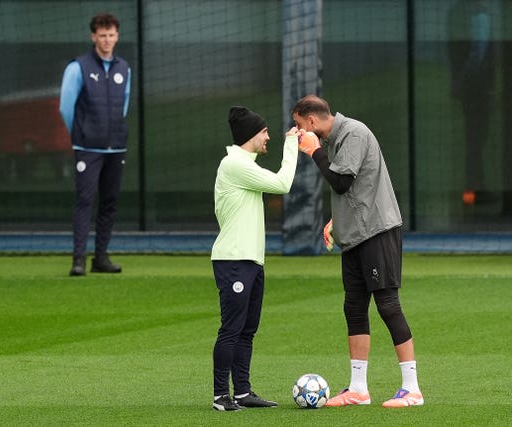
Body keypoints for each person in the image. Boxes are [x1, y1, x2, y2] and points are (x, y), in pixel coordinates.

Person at [292, 95, 423, 408]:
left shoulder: (353, 133)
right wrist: (337, 220)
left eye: (299, 125)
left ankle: (412, 389)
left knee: (388, 305)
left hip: (377, 232)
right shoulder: (337, 139)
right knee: (353, 308)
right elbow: (360, 186)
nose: (300, 132)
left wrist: (314, 151)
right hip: (355, 235)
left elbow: (340, 182)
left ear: (311, 121)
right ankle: (358, 390)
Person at [211, 106, 299, 411]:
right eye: (264, 132)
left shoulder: (243, 164)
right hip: (233, 260)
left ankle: (243, 392)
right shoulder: (234, 164)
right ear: (251, 135)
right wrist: (293, 143)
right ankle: (221, 395)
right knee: (231, 329)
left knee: (247, 330)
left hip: (250, 261)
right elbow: (283, 184)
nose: (268, 137)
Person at [59, 13, 131, 276]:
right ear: (93, 36)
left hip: (116, 147)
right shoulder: (77, 67)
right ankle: (78, 259)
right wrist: (81, 135)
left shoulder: (125, 68)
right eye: (102, 35)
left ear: (117, 36)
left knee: (109, 202)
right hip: (87, 149)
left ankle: (100, 258)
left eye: (111, 35)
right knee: (85, 200)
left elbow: (123, 105)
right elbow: (65, 108)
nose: (107, 40)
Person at [446, 0, 495, 205]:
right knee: (476, 138)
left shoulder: (457, 14)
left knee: (474, 138)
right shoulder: (478, 15)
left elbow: (454, 52)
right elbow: (477, 54)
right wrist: (462, 81)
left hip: (471, 88)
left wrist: (457, 80)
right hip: (476, 89)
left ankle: (474, 188)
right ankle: (474, 190)